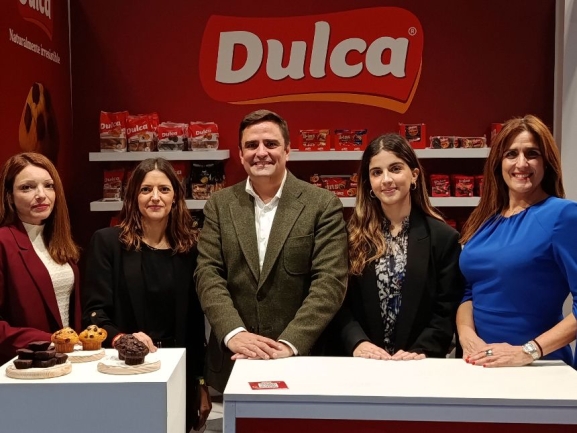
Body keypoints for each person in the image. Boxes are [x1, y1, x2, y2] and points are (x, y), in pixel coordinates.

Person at [194, 109, 348, 392]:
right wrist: (234, 333)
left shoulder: (322, 204)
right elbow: (208, 273)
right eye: (252, 145)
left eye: (271, 144)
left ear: (287, 151)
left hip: (302, 358)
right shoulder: (219, 204)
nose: (261, 152)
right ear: (241, 154)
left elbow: (330, 282)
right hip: (234, 359)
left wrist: (290, 342)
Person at [82, 158, 211, 431]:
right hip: (124, 369)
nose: (155, 197)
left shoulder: (189, 249)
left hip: (179, 371)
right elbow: (94, 315)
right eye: (145, 189)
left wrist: (201, 383)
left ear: (175, 198)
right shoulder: (107, 243)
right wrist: (123, 340)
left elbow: (195, 325)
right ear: (133, 197)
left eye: (164, 189)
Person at [457, 114, 577, 367]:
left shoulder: (563, 215)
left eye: (532, 154)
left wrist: (527, 352)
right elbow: (469, 291)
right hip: (480, 364)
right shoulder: (485, 219)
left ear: (546, 163)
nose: (521, 163)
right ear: (498, 163)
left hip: (539, 368)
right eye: (511, 154)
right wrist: (467, 335)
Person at [330, 133, 463, 360]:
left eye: (395, 169)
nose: (386, 179)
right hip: (362, 362)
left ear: (414, 175)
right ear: (368, 182)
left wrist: (421, 350)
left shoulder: (443, 238)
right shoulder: (349, 236)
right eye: (376, 172)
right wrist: (357, 342)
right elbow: (337, 301)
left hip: (419, 364)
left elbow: (446, 309)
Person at [0, 152, 81, 365]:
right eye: (27, 187)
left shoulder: (57, 239)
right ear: (9, 195)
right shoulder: (3, 242)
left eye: (48, 186)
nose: (41, 195)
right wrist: (48, 341)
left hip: (66, 362)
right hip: (23, 365)